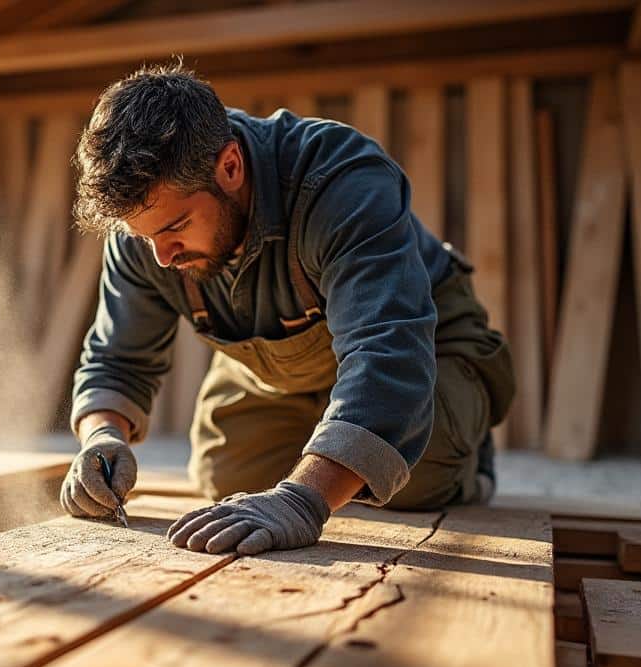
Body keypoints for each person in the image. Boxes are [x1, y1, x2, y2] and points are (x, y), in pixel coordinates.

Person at [59, 62, 514, 556]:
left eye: (176, 229)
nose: (162, 258)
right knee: (225, 478)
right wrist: (101, 437)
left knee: (418, 476)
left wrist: (303, 499)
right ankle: (335, 436)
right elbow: (116, 360)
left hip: (422, 342)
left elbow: (386, 352)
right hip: (279, 370)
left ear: (229, 167)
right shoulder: (148, 229)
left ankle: (467, 449)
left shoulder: (341, 180)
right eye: (143, 237)